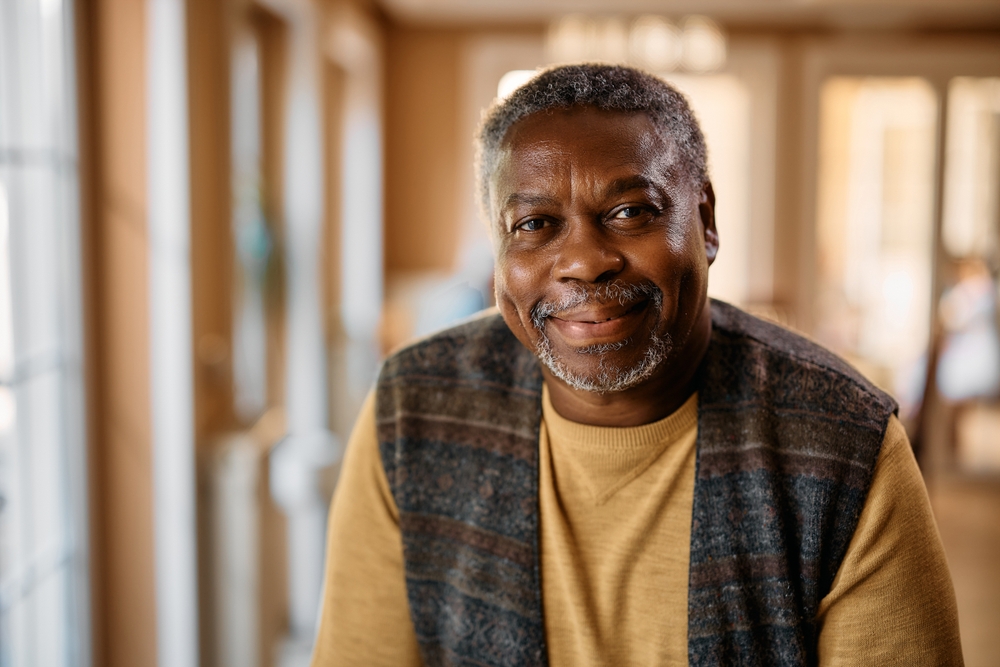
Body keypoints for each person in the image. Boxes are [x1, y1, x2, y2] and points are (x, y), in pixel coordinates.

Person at [310, 64, 963, 667]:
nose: (584, 260)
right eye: (535, 223)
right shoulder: (413, 408)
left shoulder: (846, 443)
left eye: (630, 212)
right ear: (498, 255)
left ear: (704, 221)